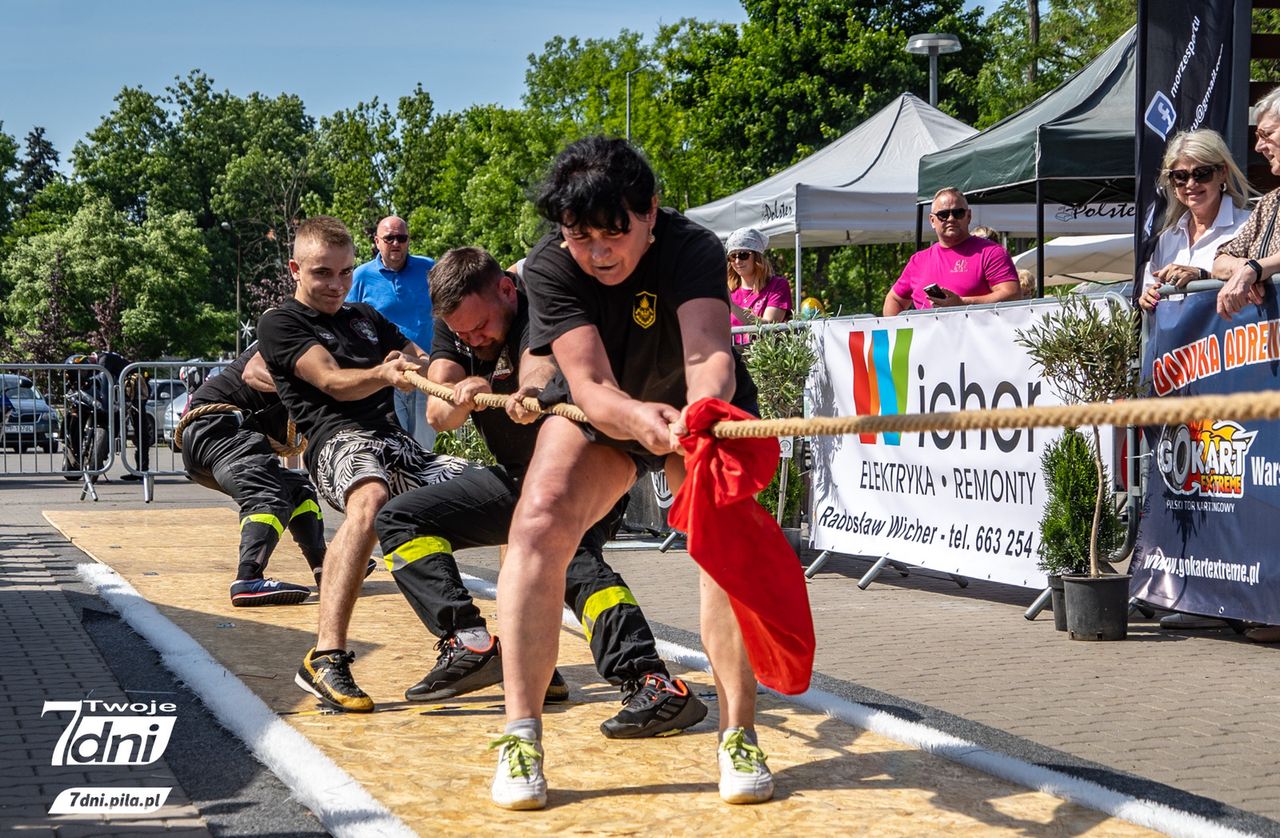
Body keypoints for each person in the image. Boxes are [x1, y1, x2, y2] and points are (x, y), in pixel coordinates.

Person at [487, 136, 770, 811]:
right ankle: (521, 736)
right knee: (538, 521)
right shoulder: (550, 268)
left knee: (723, 544)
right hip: (609, 410)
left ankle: (740, 734)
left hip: (697, 409)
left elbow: (708, 356)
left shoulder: (694, 247)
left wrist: (698, 415)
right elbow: (587, 384)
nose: (597, 252)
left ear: (651, 212)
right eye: (581, 237)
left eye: (613, 233)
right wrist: (640, 420)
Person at [374, 246, 708, 739]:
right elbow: (438, 414)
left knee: (567, 555)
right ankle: (473, 642)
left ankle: (650, 680)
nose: (474, 338)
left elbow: (539, 366)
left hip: (583, 466)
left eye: (482, 326)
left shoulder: (541, 301)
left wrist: (526, 394)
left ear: (507, 292)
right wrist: (467, 386)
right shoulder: (457, 319)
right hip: (517, 477)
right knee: (400, 519)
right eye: (463, 333)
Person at [257, 216, 469, 713]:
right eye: (322, 274)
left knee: (500, 495)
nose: (336, 285)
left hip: (399, 445)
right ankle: (326, 656)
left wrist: (456, 380)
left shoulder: (363, 317)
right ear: (295, 269)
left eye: (345, 272)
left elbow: (423, 357)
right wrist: (382, 371)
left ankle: (496, 648)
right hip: (337, 444)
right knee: (371, 498)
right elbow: (330, 380)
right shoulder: (281, 322)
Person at [179, 342, 329, 607]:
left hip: (216, 439)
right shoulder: (288, 331)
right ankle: (248, 578)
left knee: (297, 490)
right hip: (220, 429)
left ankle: (326, 569)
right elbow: (252, 372)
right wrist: (300, 391)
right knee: (267, 498)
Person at [347, 215, 438, 452]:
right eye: (389, 238)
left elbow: (449, 308)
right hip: (384, 376)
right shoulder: (360, 277)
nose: (396, 243)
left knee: (423, 446)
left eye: (401, 238)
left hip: (424, 371)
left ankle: (423, 489)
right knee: (392, 444)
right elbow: (346, 323)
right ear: (377, 241)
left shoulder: (429, 268)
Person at [1137, 129, 1250, 313]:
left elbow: (1263, 283)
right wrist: (1148, 297)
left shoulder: (1248, 226)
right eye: (1180, 176)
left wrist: (1201, 275)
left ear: (1222, 173)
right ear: (1172, 184)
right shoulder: (1168, 239)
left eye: (1202, 173)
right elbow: (1149, 294)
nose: (1191, 184)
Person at [883, 187, 1020, 315]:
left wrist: (962, 303)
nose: (951, 219)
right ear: (932, 220)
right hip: (928, 340)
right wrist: (898, 332)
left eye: (958, 213)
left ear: (969, 216)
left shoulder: (991, 252)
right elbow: (894, 300)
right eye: (943, 214)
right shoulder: (918, 260)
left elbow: (1012, 295)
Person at [725, 227, 791, 344]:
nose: (737, 261)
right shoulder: (729, 289)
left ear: (757, 256)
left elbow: (769, 325)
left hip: (762, 359)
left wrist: (732, 306)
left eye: (743, 255)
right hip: (732, 357)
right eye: (732, 256)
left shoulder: (778, 285)